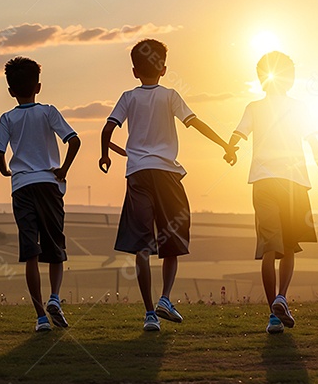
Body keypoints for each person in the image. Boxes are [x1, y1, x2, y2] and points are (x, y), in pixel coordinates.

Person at [99, 39, 236, 332]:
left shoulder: (127, 97)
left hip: (137, 174)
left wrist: (105, 153)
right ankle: (165, 298)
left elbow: (108, 128)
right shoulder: (171, 95)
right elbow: (195, 123)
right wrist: (225, 144)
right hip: (166, 174)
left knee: (141, 244)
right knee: (172, 239)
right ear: (164, 69)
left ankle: (149, 313)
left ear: (135, 71)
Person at [229, 51, 318, 334]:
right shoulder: (299, 107)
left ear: (261, 78)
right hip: (294, 183)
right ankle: (281, 297)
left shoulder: (253, 107)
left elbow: (238, 135)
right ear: (291, 78)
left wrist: (230, 149)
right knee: (289, 246)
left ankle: (274, 313)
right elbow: (314, 144)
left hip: (263, 182)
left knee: (269, 248)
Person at [0, 57, 81, 332]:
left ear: (10, 91)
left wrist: (7, 171)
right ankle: (55, 297)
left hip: (21, 187)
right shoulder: (48, 112)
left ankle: (40, 316)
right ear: (38, 87)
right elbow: (74, 140)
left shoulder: (7, 117)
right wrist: (63, 169)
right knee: (55, 247)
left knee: (30, 251)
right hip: (48, 184)